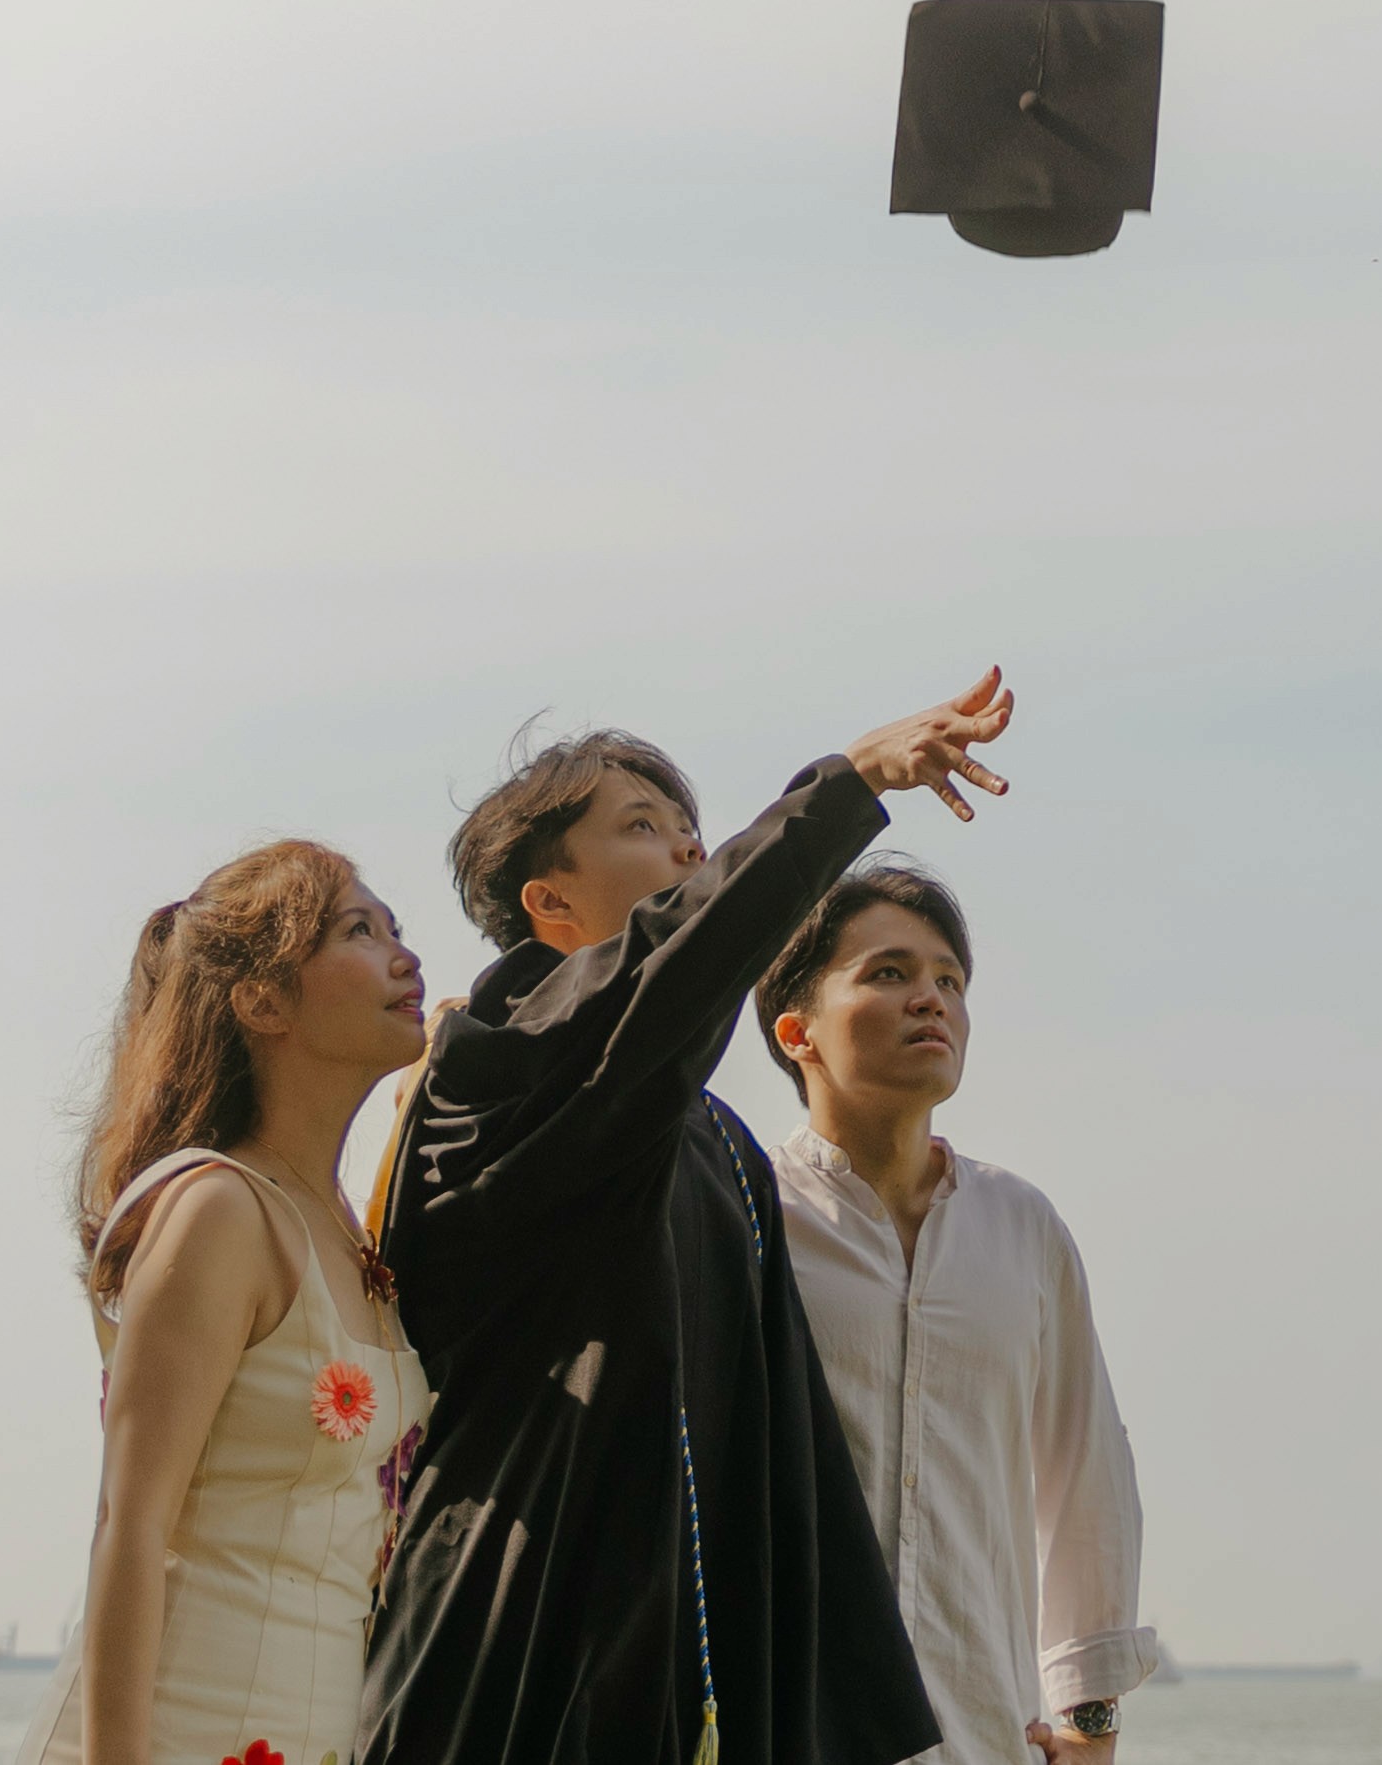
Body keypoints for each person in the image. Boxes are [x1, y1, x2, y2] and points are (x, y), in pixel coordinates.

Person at [363, 675, 1015, 1765]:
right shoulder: (493, 1064)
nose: (684, 856)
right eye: (643, 828)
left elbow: (780, 1451)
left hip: (687, 1682)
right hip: (513, 1644)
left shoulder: (716, 1142)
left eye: (691, 832)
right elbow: (666, 977)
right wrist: (848, 787)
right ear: (550, 904)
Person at [26, 841, 433, 1765]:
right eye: (358, 930)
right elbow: (130, 1525)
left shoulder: (348, 1228)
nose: (404, 955)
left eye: (397, 929)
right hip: (170, 1731)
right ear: (263, 1000)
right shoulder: (220, 1209)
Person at [754, 862, 1159, 1765]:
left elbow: (1088, 1475)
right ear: (797, 1031)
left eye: (950, 979)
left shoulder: (1022, 1227)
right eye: (888, 973)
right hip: (789, 1730)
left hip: (987, 1733)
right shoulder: (743, 1214)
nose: (930, 999)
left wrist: (1090, 1721)